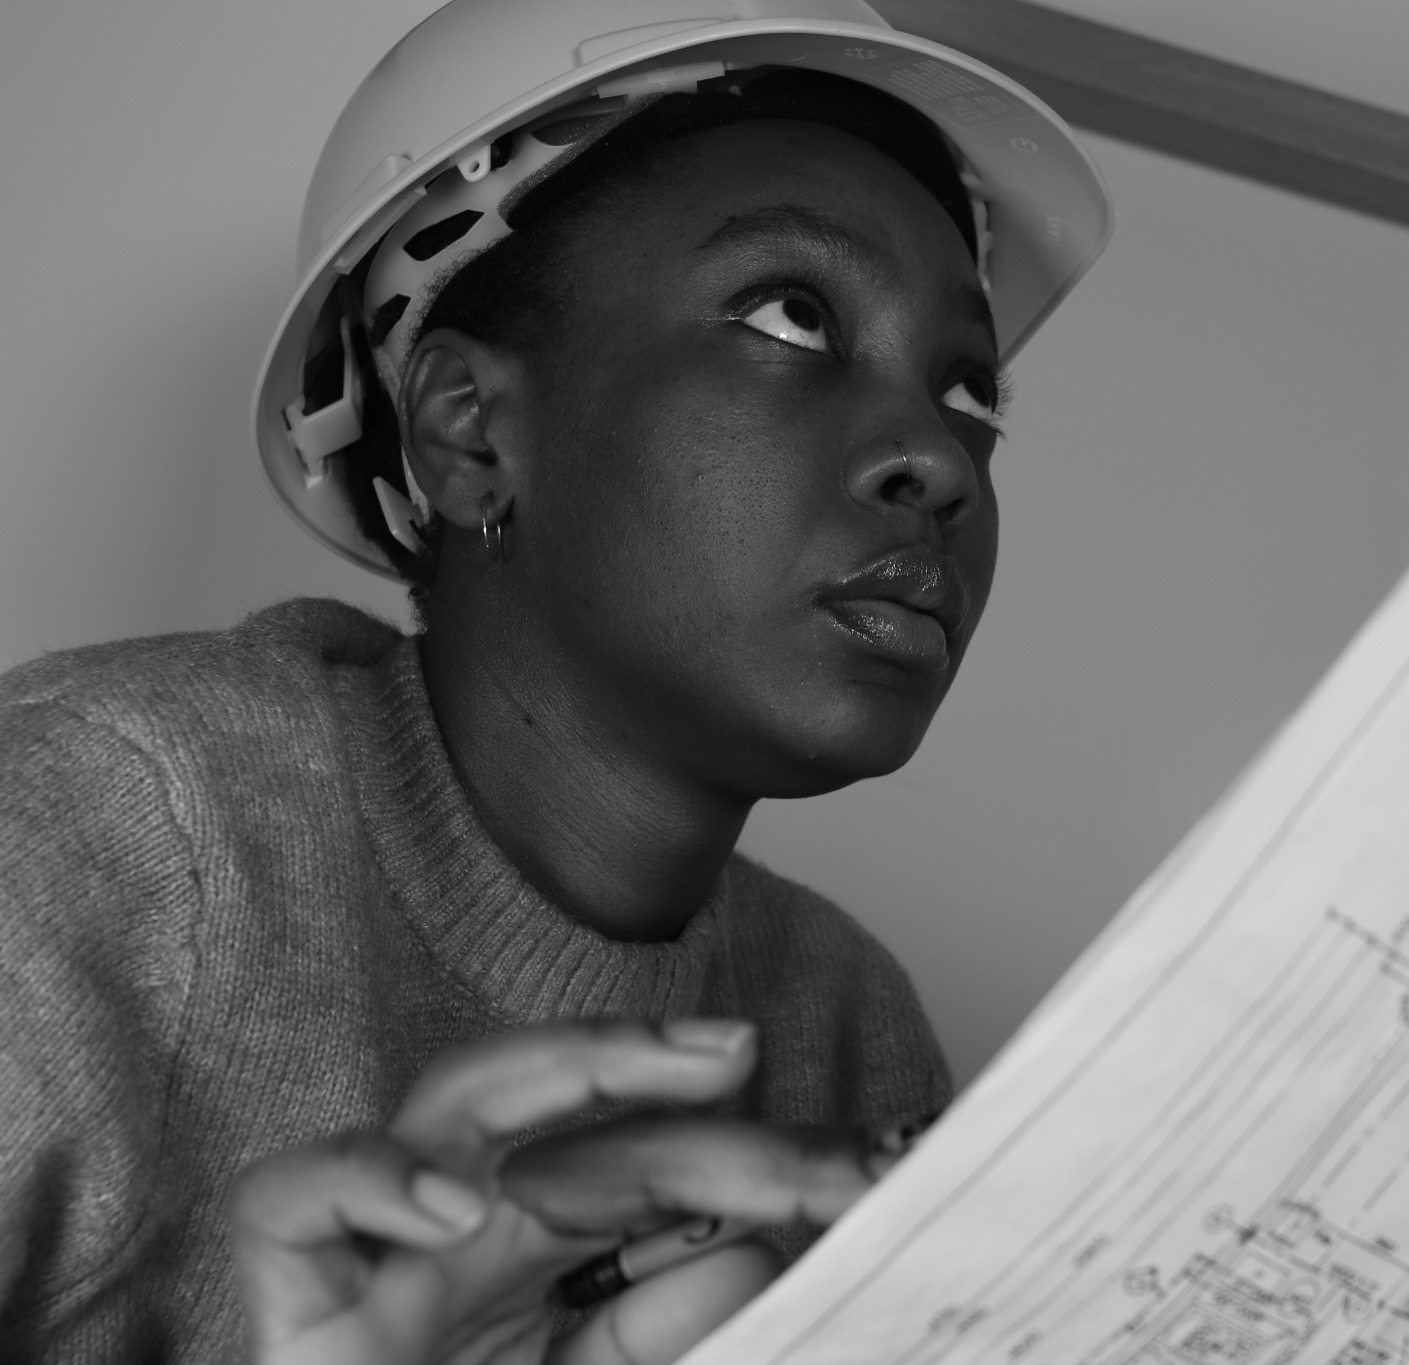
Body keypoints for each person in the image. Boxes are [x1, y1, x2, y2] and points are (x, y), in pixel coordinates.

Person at [0, 0, 1111, 1360]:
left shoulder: (843, 1025)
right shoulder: (102, 833)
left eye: (972, 393)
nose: (938, 460)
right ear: (471, 435)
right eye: (792, 314)